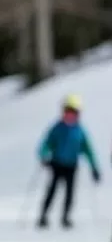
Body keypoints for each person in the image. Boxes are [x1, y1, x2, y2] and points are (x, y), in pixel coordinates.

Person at [36, 93, 100, 229]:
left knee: (70, 193)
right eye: (67, 112)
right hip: (57, 164)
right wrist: (43, 155)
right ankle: (43, 216)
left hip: (71, 166)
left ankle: (65, 218)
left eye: (73, 113)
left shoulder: (80, 131)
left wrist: (94, 167)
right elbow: (46, 143)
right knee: (52, 191)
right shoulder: (57, 128)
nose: (70, 116)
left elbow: (88, 150)